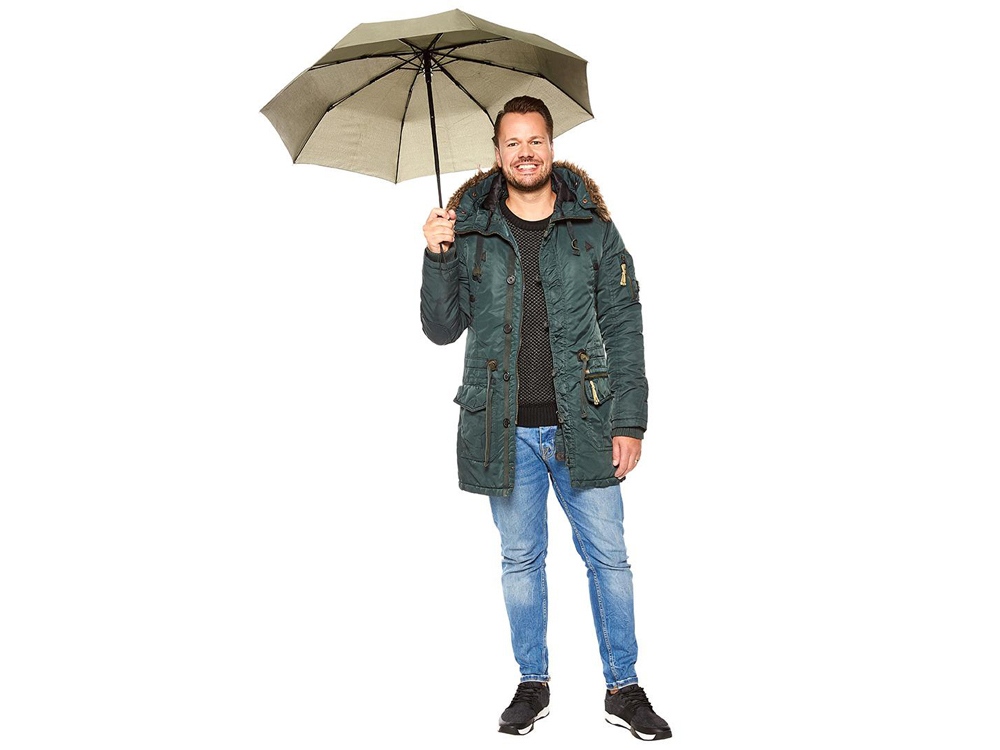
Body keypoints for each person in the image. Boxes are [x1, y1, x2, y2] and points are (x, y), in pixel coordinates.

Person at [419, 96, 671, 741]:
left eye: (535, 141)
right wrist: (439, 255)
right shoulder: (469, 232)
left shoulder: (593, 229)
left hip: (584, 425)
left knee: (609, 559)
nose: (525, 153)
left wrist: (630, 422)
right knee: (520, 560)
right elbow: (441, 329)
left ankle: (623, 687)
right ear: (497, 152)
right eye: (513, 143)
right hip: (503, 430)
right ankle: (533, 682)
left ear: (552, 147)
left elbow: (624, 324)